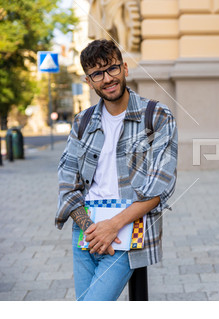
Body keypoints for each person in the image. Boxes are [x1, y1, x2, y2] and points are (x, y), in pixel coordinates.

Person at [55, 39, 177, 300]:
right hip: (85, 232)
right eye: (97, 73)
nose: (107, 78)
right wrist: (91, 228)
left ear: (124, 68)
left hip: (127, 231)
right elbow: (67, 182)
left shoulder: (156, 116)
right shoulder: (82, 122)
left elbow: (160, 186)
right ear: (89, 81)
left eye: (111, 68)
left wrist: (112, 226)